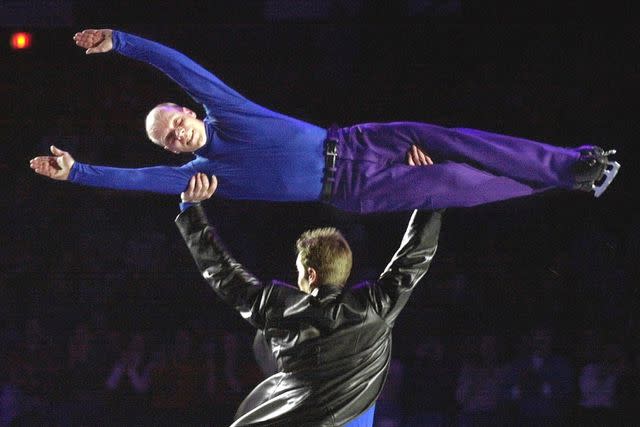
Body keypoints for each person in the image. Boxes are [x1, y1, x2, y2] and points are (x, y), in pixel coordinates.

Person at [30, 29, 620, 213]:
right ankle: (568, 177)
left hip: (360, 140)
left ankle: (573, 162)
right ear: (174, 151)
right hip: (358, 188)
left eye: (173, 122)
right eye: (167, 141)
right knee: (463, 185)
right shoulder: (208, 175)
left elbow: (184, 68)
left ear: (186, 113)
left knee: (458, 141)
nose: (175, 134)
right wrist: (77, 172)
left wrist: (125, 43)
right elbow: (136, 180)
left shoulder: (225, 111)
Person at [173, 172, 443, 426]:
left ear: (311, 274)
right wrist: (431, 197)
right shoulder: (375, 307)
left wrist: (191, 210)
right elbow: (413, 257)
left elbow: (223, 273)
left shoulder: (278, 307)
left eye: (300, 272)